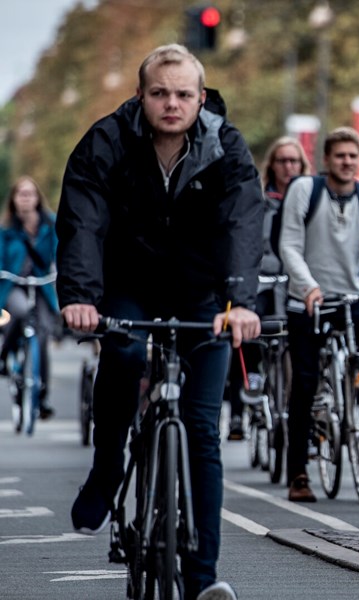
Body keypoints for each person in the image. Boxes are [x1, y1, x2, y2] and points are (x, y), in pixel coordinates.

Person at [59, 44, 262, 600]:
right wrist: (81, 297)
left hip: (203, 295)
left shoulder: (227, 146)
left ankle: (202, 579)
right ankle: (107, 470)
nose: (171, 104)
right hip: (128, 286)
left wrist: (242, 302)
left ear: (201, 97)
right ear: (141, 94)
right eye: (159, 93)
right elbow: (83, 222)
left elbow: (243, 224)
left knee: (201, 430)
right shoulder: (106, 140)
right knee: (123, 353)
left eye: (183, 94)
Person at [278, 126, 359, 502]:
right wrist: (308, 285)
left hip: (352, 298)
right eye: (340, 155)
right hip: (306, 300)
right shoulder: (303, 191)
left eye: (352, 156)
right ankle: (298, 472)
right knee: (305, 383)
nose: (347, 162)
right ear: (326, 159)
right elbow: (289, 245)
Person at [225, 136, 311, 441]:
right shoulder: (257, 201)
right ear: (271, 165)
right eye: (282, 160)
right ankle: (239, 409)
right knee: (244, 332)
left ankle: (306, 410)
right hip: (261, 282)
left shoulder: (311, 201)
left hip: (296, 285)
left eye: (294, 161)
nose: (289, 167)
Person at [0, 176, 60, 420]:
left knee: (43, 333)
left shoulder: (50, 226)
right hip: (13, 285)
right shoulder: (6, 230)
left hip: (41, 285)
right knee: (21, 311)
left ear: (37, 198)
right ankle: (4, 355)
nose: (26, 198)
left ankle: (42, 395)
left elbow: (59, 253)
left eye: (30, 194)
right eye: (21, 194)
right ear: (14, 199)